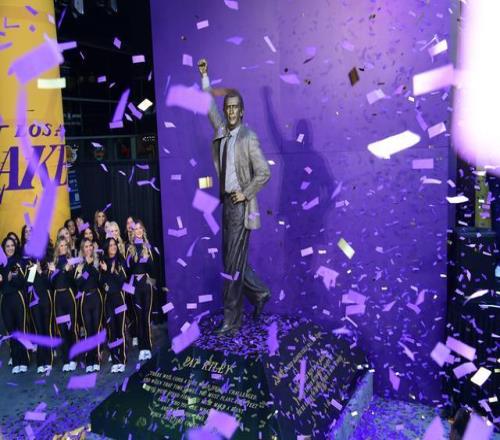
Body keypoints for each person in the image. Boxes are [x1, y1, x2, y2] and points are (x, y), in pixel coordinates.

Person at [197, 58, 271, 334]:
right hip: (226, 204)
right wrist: (205, 77)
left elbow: (264, 172)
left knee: (231, 265)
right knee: (232, 260)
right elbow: (209, 107)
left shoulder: (248, 137)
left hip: (241, 206)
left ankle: (232, 319)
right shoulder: (222, 131)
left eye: (234, 108)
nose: (229, 111)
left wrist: (245, 193)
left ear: (242, 112)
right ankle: (260, 292)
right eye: (227, 107)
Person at [21, 226, 55, 374]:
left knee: (47, 329)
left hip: (45, 296)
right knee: (38, 330)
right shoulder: (28, 259)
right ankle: (41, 361)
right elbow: (28, 281)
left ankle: (49, 360)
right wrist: (34, 269)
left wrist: (41, 272)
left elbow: (51, 282)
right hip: (33, 298)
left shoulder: (47, 257)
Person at [126, 220, 154, 360]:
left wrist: (147, 259)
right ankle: (142, 347)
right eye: (135, 228)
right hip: (135, 286)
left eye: (140, 228)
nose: (138, 231)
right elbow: (127, 270)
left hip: (146, 285)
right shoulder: (129, 248)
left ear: (143, 230)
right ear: (133, 231)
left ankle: (148, 346)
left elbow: (153, 268)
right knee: (138, 316)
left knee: (146, 316)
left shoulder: (147, 246)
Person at [0, 236, 29, 373]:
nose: (10, 248)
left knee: (21, 330)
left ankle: (24, 360)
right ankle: (16, 361)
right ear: (4, 248)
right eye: (7, 246)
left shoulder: (17, 262)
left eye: (12, 245)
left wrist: (12, 278)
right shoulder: (1, 265)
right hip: (5, 300)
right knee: (11, 332)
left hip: (18, 298)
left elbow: (22, 283)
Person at [49, 237, 77, 372]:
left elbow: (74, 282)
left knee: (71, 328)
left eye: (66, 245)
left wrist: (68, 271)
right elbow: (51, 284)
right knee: (62, 329)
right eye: (61, 245)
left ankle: (74, 358)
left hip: (69, 296)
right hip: (58, 298)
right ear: (57, 248)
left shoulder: (71, 261)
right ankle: (66, 359)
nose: (64, 247)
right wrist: (52, 272)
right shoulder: (53, 263)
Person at [75, 238, 103, 373]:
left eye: (90, 246)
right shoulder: (79, 265)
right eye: (86, 246)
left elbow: (98, 279)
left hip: (96, 297)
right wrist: (87, 266)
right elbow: (78, 283)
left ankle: (96, 360)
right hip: (85, 299)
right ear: (82, 249)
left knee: (96, 329)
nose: (88, 248)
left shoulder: (98, 262)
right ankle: (89, 360)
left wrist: (91, 266)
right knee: (88, 329)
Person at [100, 238, 127, 373]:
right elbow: (102, 283)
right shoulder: (103, 262)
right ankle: (115, 360)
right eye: (110, 245)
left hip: (119, 298)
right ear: (106, 248)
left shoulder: (121, 260)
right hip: (108, 300)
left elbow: (122, 281)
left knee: (120, 330)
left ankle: (122, 359)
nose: (113, 247)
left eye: (114, 244)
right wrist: (105, 272)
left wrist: (111, 271)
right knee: (111, 330)